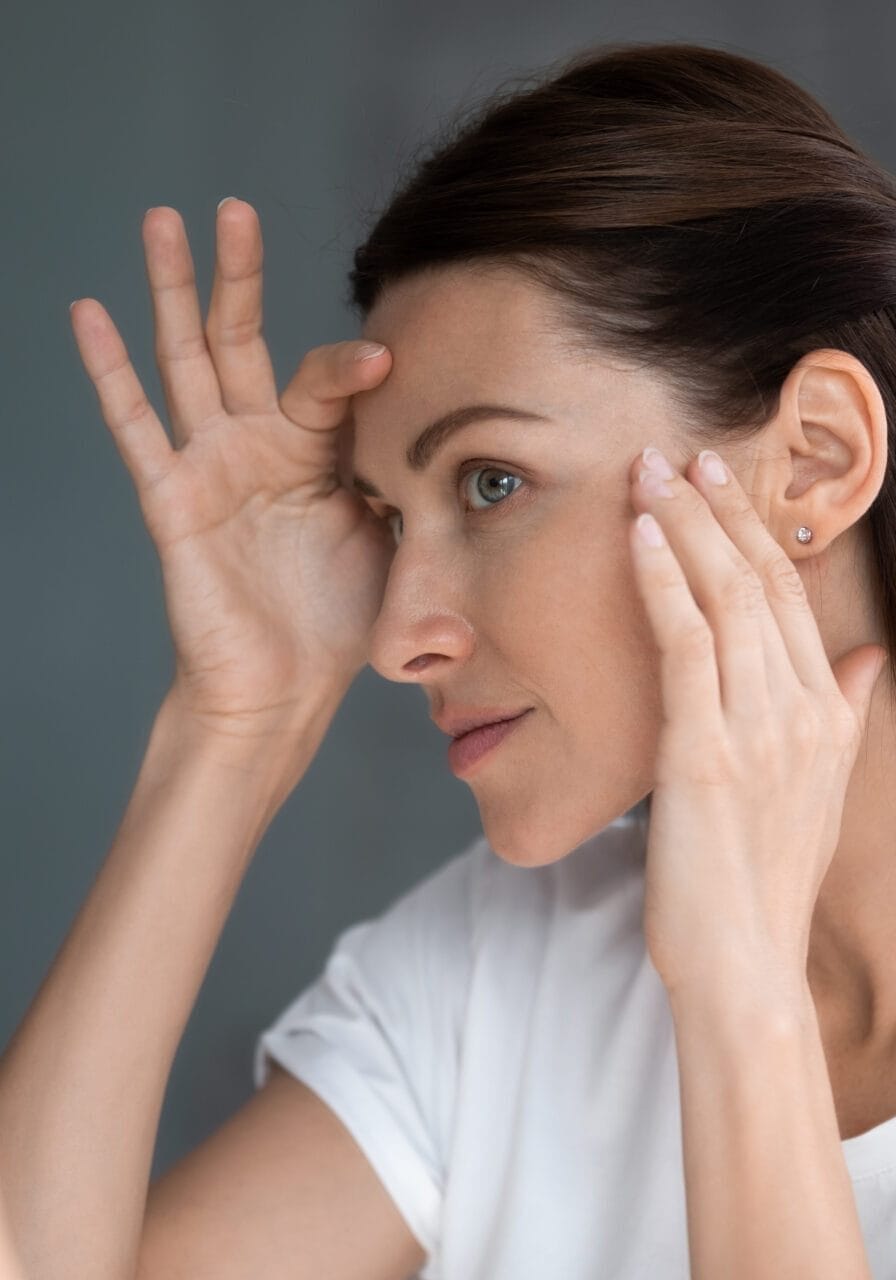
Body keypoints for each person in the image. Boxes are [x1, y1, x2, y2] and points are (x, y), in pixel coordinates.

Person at [2, 38, 896, 1279]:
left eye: (489, 481)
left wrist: (742, 992)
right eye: (386, 516)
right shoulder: (499, 961)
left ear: (813, 458)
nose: (394, 636)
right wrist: (235, 724)